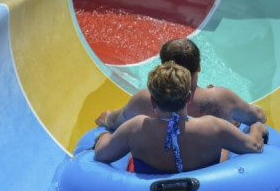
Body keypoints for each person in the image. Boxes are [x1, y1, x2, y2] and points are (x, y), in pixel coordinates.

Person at [93, 61, 267, 174]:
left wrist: (103, 135)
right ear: (189, 97)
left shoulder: (135, 128)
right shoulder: (214, 127)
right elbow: (254, 146)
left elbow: (101, 155)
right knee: (223, 148)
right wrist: (257, 128)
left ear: (153, 100)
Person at [95, 37, 266, 130]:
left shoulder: (144, 99)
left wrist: (106, 119)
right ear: (198, 67)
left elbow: (114, 121)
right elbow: (258, 117)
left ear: (163, 68)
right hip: (212, 175)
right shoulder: (221, 98)